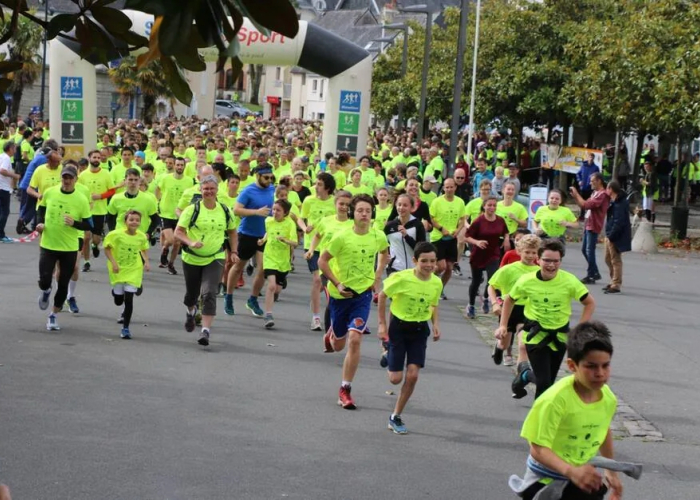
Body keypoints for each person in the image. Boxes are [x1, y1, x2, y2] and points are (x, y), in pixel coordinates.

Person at [510, 321, 623, 500]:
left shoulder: (607, 398)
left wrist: (611, 471)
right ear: (572, 366)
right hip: (545, 481)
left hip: (583, 477)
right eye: (591, 366)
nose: (600, 373)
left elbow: (602, 429)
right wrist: (571, 471)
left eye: (605, 365)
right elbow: (537, 448)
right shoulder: (554, 400)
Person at [496, 239, 595, 399]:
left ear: (560, 261)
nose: (551, 265)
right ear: (538, 260)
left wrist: (579, 330)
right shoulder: (527, 280)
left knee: (548, 381)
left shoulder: (569, 281)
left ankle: (525, 375)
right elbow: (509, 300)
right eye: (547, 260)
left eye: (556, 261)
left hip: (560, 336)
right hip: (536, 335)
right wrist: (503, 325)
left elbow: (589, 303)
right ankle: (539, 421)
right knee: (544, 383)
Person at [319, 194, 389, 410]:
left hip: (362, 294)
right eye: (360, 210)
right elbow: (322, 261)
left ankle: (345, 389)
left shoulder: (378, 236)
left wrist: (377, 277)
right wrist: (338, 283)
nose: (364, 214)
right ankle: (332, 333)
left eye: (368, 210)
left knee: (355, 339)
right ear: (352, 212)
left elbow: (384, 254)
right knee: (339, 345)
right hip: (341, 294)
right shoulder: (341, 237)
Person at [377, 242, 442, 435]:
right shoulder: (401, 278)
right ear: (415, 261)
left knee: (413, 375)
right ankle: (388, 351)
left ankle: (395, 416)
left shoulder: (436, 282)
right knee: (395, 379)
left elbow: (433, 304)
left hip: (420, 330)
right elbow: (382, 296)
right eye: (424, 261)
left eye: (432, 261)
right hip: (399, 328)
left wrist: (436, 324)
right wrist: (382, 325)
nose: (429, 265)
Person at [175, 175, 238, 345]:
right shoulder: (192, 210)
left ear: (217, 190)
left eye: (212, 189)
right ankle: (191, 312)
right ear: (200, 191)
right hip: (192, 258)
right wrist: (191, 242)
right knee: (192, 294)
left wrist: (233, 251)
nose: (209, 192)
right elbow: (178, 232)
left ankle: (205, 331)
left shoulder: (225, 210)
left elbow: (232, 232)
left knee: (210, 292)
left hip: (215, 257)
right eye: (205, 189)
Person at [35, 165, 92, 331]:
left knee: (63, 284)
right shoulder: (50, 192)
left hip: (69, 247)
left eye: (70, 178)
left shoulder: (81, 199)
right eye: (64, 177)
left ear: (75, 179)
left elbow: (89, 224)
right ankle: (45, 291)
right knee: (44, 279)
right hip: (48, 244)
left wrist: (74, 223)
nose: (66, 181)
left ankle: (53, 315)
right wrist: (40, 223)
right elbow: (42, 209)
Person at [487, 233, 540, 368]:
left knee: (523, 345)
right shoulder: (508, 269)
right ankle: (499, 347)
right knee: (505, 343)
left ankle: (519, 378)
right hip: (509, 309)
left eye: (533, 252)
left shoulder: (539, 271)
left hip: (528, 310)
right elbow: (491, 286)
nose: (530, 256)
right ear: (519, 251)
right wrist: (494, 304)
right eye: (527, 252)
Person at [232, 163, 275, 317]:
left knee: (263, 270)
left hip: (264, 235)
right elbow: (236, 210)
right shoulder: (248, 190)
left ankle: (253, 299)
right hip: (247, 233)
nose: (269, 180)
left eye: (271, 177)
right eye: (266, 177)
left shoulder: (272, 189)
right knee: (238, 267)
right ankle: (229, 296)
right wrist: (256, 212)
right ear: (258, 176)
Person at [103, 210, 150, 339]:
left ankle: (125, 328)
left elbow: (144, 249)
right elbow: (107, 249)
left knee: (129, 299)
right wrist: (113, 263)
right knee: (118, 301)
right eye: (131, 220)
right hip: (118, 269)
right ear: (125, 222)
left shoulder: (141, 236)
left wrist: (146, 262)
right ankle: (117, 293)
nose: (134, 222)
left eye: (137, 220)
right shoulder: (115, 235)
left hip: (134, 270)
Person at [300, 172, 336, 331]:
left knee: (324, 283)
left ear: (327, 187)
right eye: (315, 184)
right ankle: (316, 318)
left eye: (319, 184)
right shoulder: (309, 200)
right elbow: (301, 218)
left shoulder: (335, 202)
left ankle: (318, 301)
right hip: (312, 245)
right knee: (316, 280)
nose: (316, 187)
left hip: (329, 247)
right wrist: (304, 228)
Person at [464, 196, 510, 318]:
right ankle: (471, 305)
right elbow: (467, 236)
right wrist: (477, 242)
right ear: (484, 206)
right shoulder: (479, 221)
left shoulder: (500, 220)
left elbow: (506, 231)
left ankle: (486, 298)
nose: (492, 207)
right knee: (476, 281)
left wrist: (506, 240)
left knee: (492, 279)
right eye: (489, 205)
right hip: (478, 254)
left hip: (493, 253)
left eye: (494, 205)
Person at [259, 199, 298, 328]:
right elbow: (268, 233)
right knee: (271, 286)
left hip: (283, 260)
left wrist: (285, 240)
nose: (274, 212)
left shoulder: (290, 224)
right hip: (269, 257)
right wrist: (263, 240)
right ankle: (268, 315)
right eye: (273, 209)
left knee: (277, 289)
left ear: (285, 213)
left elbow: (295, 243)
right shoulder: (268, 221)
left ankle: (281, 283)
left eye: (278, 210)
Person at [155, 157, 195, 274]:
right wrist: (158, 202)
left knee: (178, 243)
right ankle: (165, 248)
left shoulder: (189, 181)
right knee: (171, 240)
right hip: (166, 213)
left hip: (181, 214)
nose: (179, 167)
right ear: (174, 166)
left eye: (181, 165)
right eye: (177, 165)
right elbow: (157, 190)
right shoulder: (166, 178)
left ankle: (171, 264)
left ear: (184, 166)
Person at [78, 150, 114, 271]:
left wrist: (100, 196)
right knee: (86, 237)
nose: (97, 159)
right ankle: (87, 262)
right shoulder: (82, 175)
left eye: (99, 157)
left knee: (96, 238)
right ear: (89, 158)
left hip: (100, 211)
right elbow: (78, 190)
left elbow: (112, 190)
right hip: (86, 211)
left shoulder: (106, 174)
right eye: (94, 157)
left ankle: (95, 246)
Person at [428, 178, 466, 297]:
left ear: (455, 187)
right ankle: (429, 282)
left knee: (449, 268)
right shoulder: (437, 202)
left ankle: (440, 289)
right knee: (440, 267)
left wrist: (458, 230)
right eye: (447, 187)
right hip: (438, 238)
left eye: (451, 187)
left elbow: (462, 219)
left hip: (451, 238)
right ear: (443, 188)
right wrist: (441, 229)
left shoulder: (460, 202)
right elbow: (431, 218)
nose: (449, 189)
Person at [570, 173, 610, 284]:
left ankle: (591, 274)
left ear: (599, 181)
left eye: (592, 181)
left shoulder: (602, 195)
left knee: (589, 250)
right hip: (589, 223)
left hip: (594, 224)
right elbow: (583, 205)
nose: (590, 183)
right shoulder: (595, 193)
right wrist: (575, 197)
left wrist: (577, 193)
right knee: (585, 249)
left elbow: (587, 205)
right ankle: (594, 272)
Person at [384, 193, 427, 273]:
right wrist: (386, 256)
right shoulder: (390, 226)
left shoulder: (417, 224)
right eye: (399, 205)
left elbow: (421, 249)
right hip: (394, 267)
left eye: (405, 205)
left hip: (413, 269)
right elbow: (383, 244)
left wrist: (406, 236)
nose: (401, 208)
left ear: (411, 208)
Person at [603, 181, 631, 295]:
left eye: (607, 188)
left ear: (610, 189)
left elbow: (618, 222)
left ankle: (616, 284)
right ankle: (613, 279)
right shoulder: (614, 201)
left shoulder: (620, 203)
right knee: (607, 259)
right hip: (610, 233)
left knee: (615, 260)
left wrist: (611, 235)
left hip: (615, 235)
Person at [0, 141, 20, 243]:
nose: (15, 151)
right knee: (5, 211)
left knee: (1, 211)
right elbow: (2, 170)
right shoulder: (7, 158)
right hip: (3, 188)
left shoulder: (2, 156)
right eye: (14, 148)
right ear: (10, 149)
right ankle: (1, 235)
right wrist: (14, 175)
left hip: (2, 186)